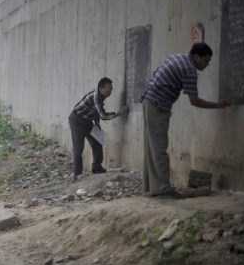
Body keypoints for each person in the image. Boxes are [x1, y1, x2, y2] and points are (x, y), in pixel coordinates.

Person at [141, 43, 230, 198]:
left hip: (148, 101)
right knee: (159, 148)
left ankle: (151, 188)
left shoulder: (177, 57)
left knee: (151, 147)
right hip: (158, 106)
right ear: (196, 57)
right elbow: (195, 101)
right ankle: (163, 189)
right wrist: (218, 105)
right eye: (206, 61)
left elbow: (156, 74)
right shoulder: (189, 70)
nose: (207, 65)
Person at [68, 77, 125, 180]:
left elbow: (100, 114)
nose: (110, 91)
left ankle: (97, 167)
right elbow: (103, 116)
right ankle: (77, 173)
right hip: (77, 120)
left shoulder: (101, 98)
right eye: (109, 89)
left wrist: (99, 128)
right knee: (78, 147)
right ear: (101, 88)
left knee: (98, 142)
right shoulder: (95, 97)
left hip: (87, 121)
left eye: (111, 89)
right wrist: (119, 114)